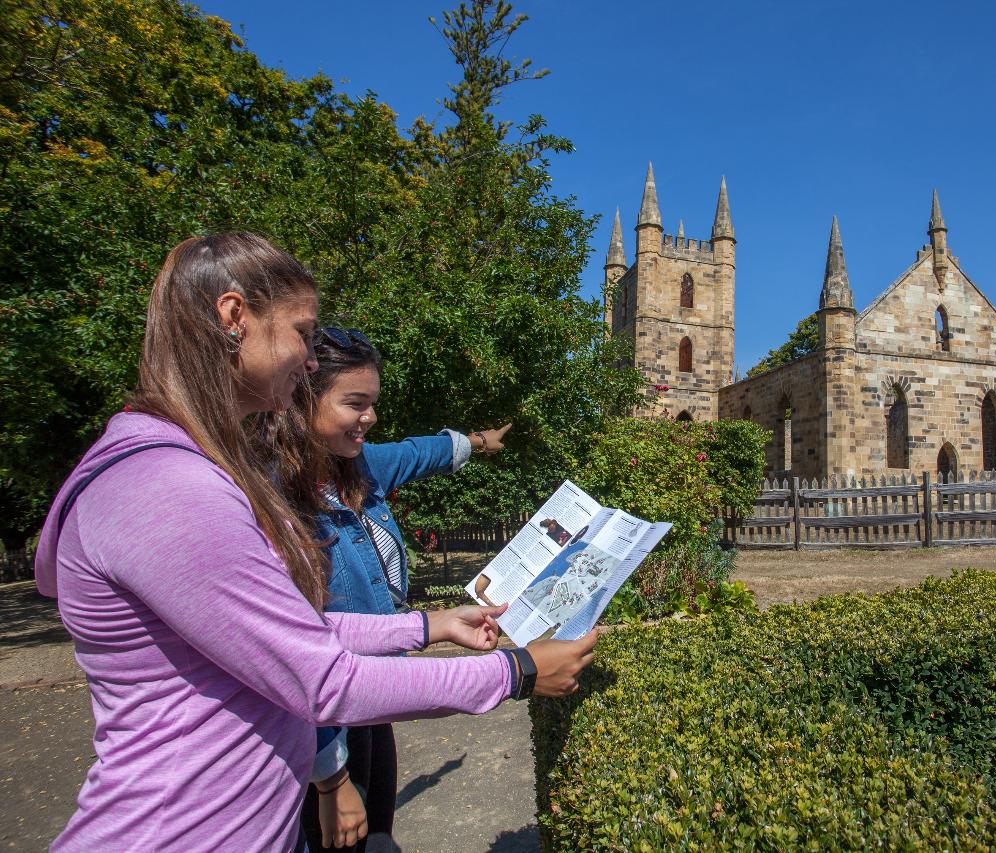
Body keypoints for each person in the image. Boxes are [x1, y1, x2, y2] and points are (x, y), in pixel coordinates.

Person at [33, 233, 596, 851]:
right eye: (302, 332)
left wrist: (425, 627)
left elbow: (295, 630)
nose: (308, 360)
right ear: (233, 317)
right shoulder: (169, 487)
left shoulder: (186, 468)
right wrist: (514, 671)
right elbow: (321, 682)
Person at [267, 325, 511, 852]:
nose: (369, 418)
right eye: (355, 403)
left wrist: (476, 442)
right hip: (322, 723)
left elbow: (417, 453)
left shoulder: (359, 467)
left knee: (377, 833)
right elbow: (292, 658)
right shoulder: (275, 500)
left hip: (373, 697)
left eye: (372, 403)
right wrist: (329, 780)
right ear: (301, 397)